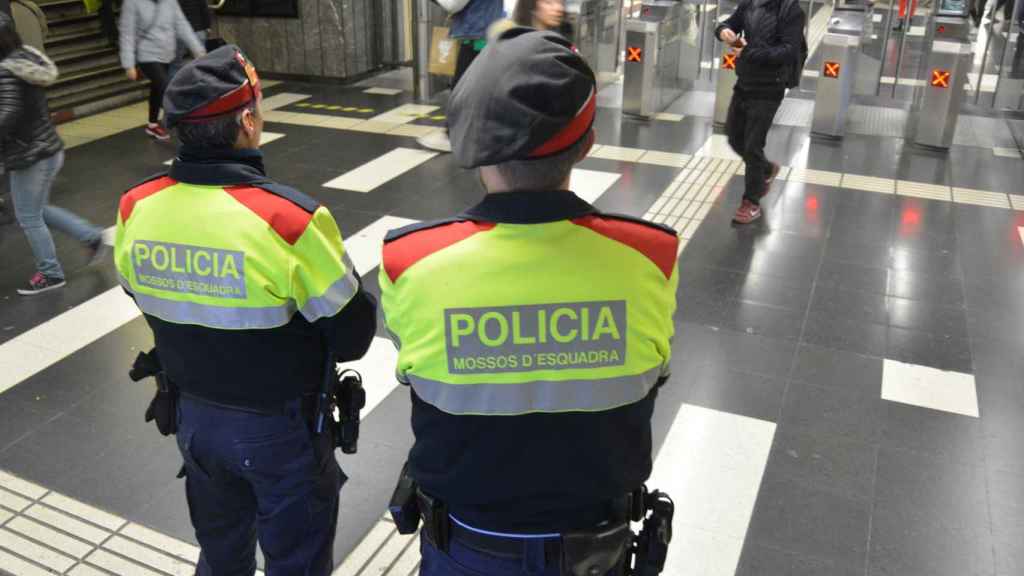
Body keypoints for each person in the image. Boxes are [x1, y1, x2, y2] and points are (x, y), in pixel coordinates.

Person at [381, 28, 678, 576]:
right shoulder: (651, 256)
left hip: (465, 547)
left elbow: (415, 372)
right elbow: (654, 370)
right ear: (587, 143)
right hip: (597, 549)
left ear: (470, 145)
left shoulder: (411, 261)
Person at [113, 46, 378, 574]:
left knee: (221, 552)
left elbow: (139, 295)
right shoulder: (288, 218)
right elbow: (352, 335)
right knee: (295, 559)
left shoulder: (135, 206)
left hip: (193, 418)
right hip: (279, 429)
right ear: (249, 121)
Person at [1, 15, 107, 295]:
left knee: (28, 216)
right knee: (37, 209)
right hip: (46, 148)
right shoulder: (24, 60)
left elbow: (7, 114)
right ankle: (91, 237)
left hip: (30, 154)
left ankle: (51, 273)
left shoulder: (5, 71)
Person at [716, 0, 806, 224]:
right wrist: (723, 31)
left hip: (769, 87)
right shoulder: (749, 4)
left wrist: (748, 52)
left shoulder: (790, 10)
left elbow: (788, 50)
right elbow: (730, 23)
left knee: (752, 145)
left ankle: (751, 202)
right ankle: (766, 169)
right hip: (745, 81)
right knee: (734, 137)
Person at [417, 0, 504, 152]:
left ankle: (451, 136)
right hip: (486, 34)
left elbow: (453, 4)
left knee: (461, 89)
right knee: (477, 90)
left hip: (477, 37)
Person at [119, 0, 205, 141]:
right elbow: (127, 34)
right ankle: (189, 127)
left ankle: (152, 125)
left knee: (157, 89)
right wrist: (129, 64)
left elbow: (182, 25)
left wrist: (198, 50)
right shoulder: (132, 3)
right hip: (147, 55)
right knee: (167, 88)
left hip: (166, 54)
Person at [169, 0, 211, 80]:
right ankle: (201, 84)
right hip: (199, 31)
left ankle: (172, 88)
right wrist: (208, 27)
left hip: (180, 33)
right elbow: (205, 10)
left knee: (175, 64)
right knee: (201, 63)